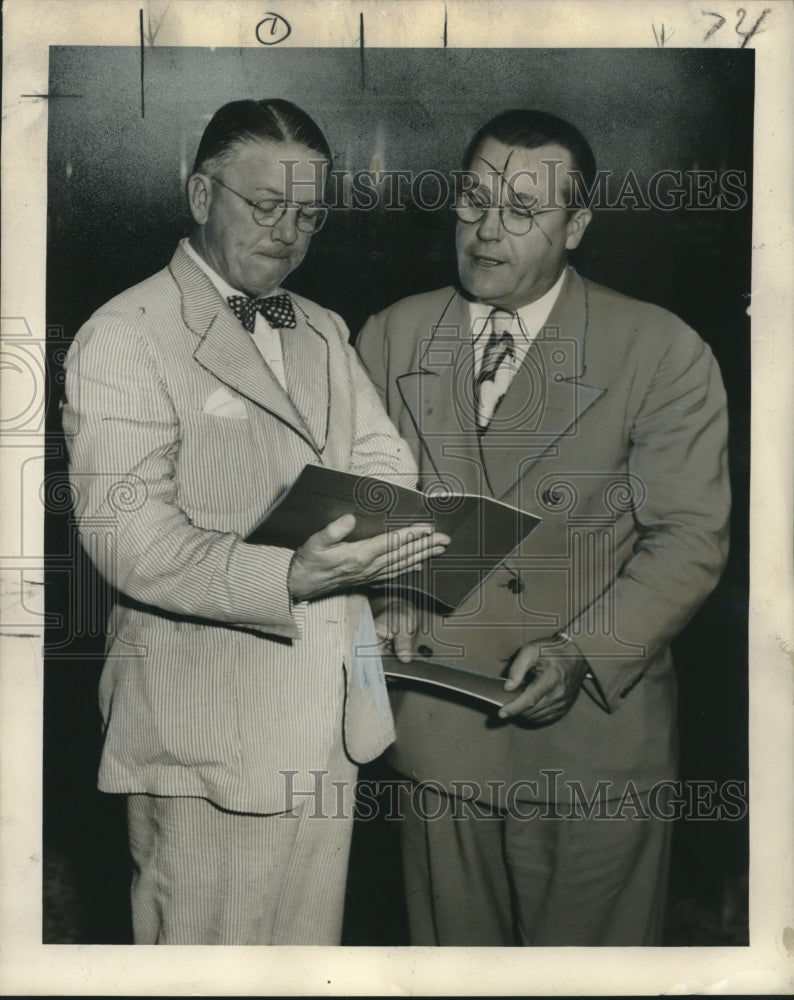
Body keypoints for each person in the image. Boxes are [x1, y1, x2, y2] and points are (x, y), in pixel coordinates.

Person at [61, 98, 448, 946]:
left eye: (308, 213)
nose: (287, 233)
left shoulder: (318, 326)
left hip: (331, 722)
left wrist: (381, 553)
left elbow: (386, 461)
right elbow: (130, 538)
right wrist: (289, 574)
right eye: (263, 205)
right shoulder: (124, 336)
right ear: (201, 195)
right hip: (207, 734)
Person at [357, 108, 730, 946]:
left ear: (577, 226)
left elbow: (689, 539)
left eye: (523, 210)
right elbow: (368, 508)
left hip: (594, 743)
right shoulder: (390, 335)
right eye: (474, 200)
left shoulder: (660, 350)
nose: (488, 231)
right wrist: (392, 595)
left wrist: (580, 652)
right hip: (438, 738)